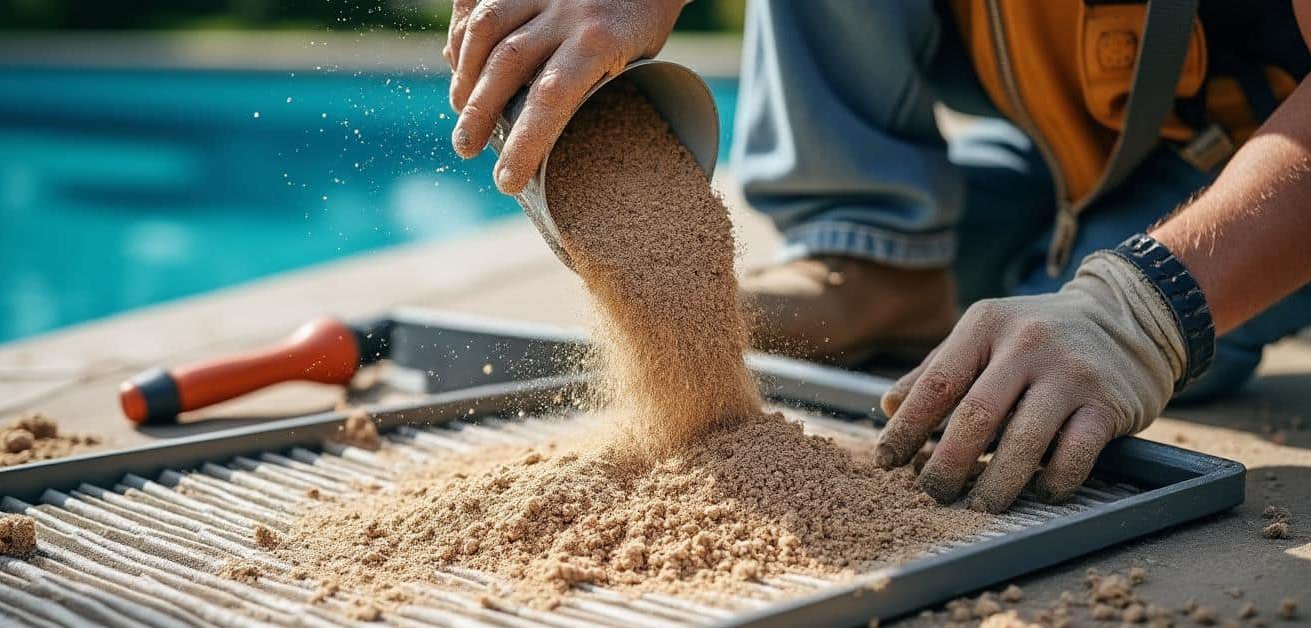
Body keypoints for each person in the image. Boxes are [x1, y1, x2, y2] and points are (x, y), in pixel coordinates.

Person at [442, 0, 1311, 513]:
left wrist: (1143, 307)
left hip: (1243, 163)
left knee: (1061, 342)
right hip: (1061, 139)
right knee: (1009, 334)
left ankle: (1094, 267)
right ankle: (874, 252)